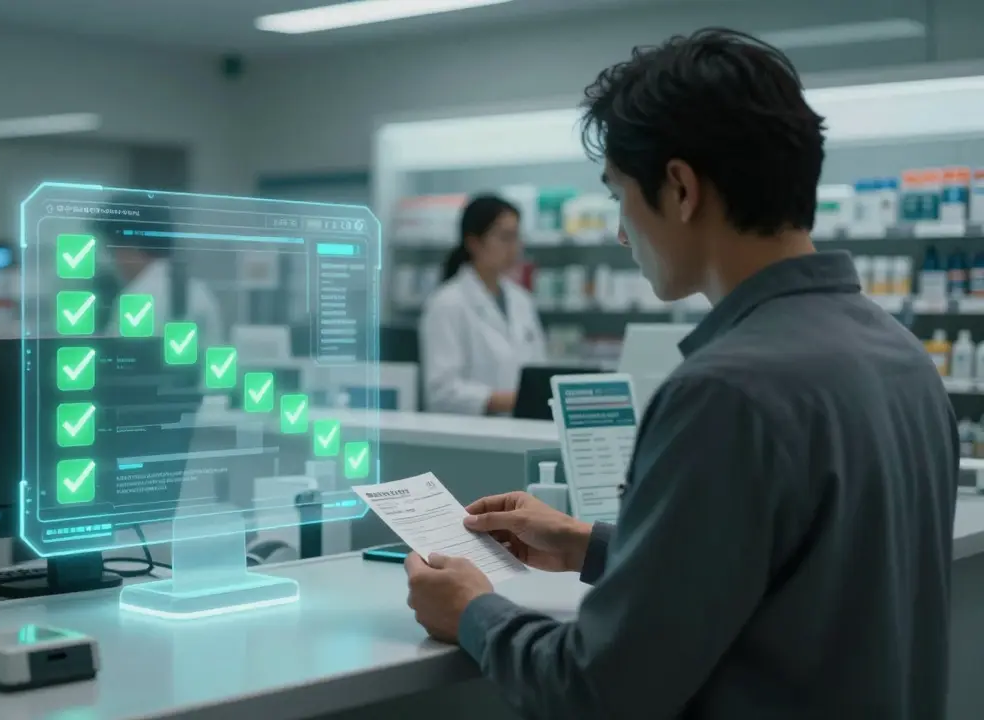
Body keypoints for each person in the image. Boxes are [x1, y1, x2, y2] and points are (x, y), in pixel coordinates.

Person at [403, 27, 957, 719]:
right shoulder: (901, 357)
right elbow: (800, 580)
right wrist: (589, 545)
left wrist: (473, 612)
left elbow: (599, 688)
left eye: (618, 196)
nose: (619, 232)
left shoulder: (726, 393)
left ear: (681, 188)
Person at [419, 195, 546, 415]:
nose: (514, 247)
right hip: (472, 435)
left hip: (523, 428)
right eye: (505, 237)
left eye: (517, 237)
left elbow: (539, 367)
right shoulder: (447, 303)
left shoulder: (521, 300)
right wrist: (508, 401)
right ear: (474, 242)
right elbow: (441, 391)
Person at [102, 239, 223, 346]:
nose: (116, 263)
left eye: (115, 253)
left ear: (129, 250)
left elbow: (117, 354)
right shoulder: (200, 291)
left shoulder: (133, 297)